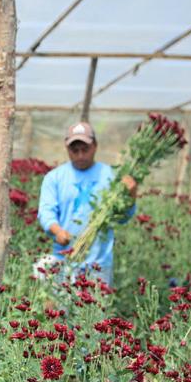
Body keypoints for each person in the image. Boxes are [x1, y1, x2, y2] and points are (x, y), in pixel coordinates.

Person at [38, 121, 137, 285]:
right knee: (58, 308)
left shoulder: (111, 176)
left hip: (98, 264)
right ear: (66, 148)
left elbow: (121, 218)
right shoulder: (54, 177)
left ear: (95, 146)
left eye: (85, 149)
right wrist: (57, 231)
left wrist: (131, 196)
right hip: (63, 259)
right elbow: (45, 212)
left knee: (94, 309)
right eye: (74, 150)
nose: (80, 155)